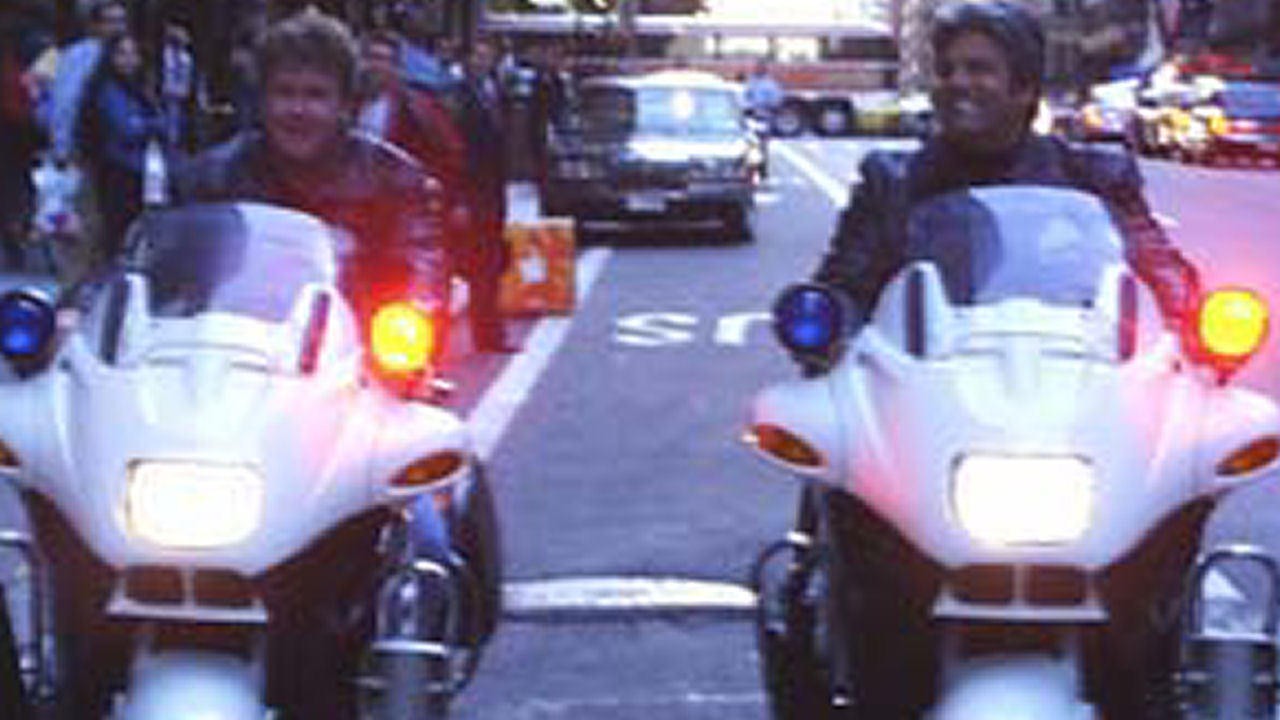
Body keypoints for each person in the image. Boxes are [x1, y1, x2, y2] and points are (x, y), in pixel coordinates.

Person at [796, 2, 1202, 718]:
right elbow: (847, 281)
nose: (958, 83)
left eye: (980, 69)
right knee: (846, 519)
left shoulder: (1094, 175)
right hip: (936, 404)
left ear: (1025, 88)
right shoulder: (894, 179)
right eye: (948, 69)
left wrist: (1191, 314)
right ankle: (826, 646)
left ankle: (1155, 677)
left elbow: (1155, 264)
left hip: (1072, 402)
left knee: (1167, 519)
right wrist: (826, 323)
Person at [172, 10, 447, 716]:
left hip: (351, 387)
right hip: (230, 386)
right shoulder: (209, 175)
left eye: (316, 94)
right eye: (285, 92)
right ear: (262, 98)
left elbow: (423, 265)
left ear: (345, 103)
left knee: (431, 536)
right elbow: (159, 269)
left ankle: (410, 665)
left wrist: (405, 330)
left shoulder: (394, 179)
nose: (299, 109)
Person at [76, 33, 167, 265]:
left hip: (137, 171)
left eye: (133, 54)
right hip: (116, 171)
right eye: (122, 54)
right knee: (115, 232)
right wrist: (153, 125)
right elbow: (126, 128)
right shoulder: (107, 90)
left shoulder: (138, 89)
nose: (128, 60)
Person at [454, 36, 518, 353]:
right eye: (477, 56)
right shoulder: (460, 97)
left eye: (487, 56)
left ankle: (490, 332)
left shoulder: (491, 91)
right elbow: (459, 151)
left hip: (492, 193)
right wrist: (461, 198)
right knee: (481, 268)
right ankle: (487, 334)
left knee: (490, 266)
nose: (482, 62)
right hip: (475, 195)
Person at [48, 0, 128, 163]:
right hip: (88, 147)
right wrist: (62, 148)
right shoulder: (78, 56)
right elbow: (65, 102)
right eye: (111, 21)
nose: (118, 28)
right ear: (96, 26)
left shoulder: (129, 56)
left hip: (123, 152)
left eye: (121, 21)